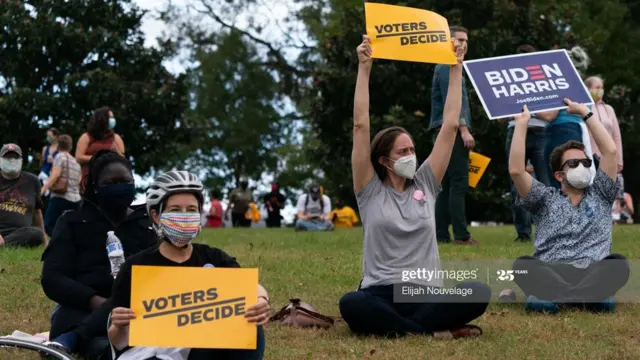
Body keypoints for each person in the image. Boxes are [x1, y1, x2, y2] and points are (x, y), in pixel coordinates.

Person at [339, 35, 490, 340]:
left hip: (424, 292)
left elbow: (449, 126)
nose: (411, 156)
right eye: (402, 152)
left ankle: (402, 330)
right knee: (352, 303)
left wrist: (456, 67)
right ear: (383, 160)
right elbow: (360, 126)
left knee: (478, 290)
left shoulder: (425, 182)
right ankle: (430, 331)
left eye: (411, 150)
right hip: (379, 292)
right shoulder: (368, 189)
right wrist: (364, 68)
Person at [107, 171, 268, 360]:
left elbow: (248, 288)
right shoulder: (135, 267)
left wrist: (261, 300)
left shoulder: (214, 258)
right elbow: (118, 342)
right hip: (154, 353)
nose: (184, 217)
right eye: (175, 209)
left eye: (191, 210)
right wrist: (118, 325)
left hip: (203, 350)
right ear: (156, 216)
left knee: (249, 323)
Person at [509, 100, 630, 314]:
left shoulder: (601, 194)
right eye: (573, 164)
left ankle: (556, 299)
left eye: (585, 163)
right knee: (523, 265)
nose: (582, 167)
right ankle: (589, 299)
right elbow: (517, 171)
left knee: (619, 263)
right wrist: (521, 124)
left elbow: (610, 152)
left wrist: (585, 112)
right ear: (559, 175)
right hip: (551, 269)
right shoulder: (544, 198)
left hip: (591, 270)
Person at [41, 150, 157, 358]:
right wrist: (98, 302)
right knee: (101, 347)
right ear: (95, 186)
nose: (119, 187)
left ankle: (73, 338)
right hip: (82, 309)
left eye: (124, 181)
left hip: (136, 312)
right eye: (111, 183)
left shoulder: (147, 226)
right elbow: (53, 278)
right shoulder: (72, 222)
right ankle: (75, 338)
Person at [429, 26, 477, 245]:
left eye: (466, 40)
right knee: (458, 183)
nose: (463, 44)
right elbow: (453, 101)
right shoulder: (448, 66)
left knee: (445, 186)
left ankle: (441, 235)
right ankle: (461, 235)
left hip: (443, 130)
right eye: (459, 39)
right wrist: (464, 130)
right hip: (451, 131)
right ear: (447, 41)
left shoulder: (447, 65)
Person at [501, 44, 551, 242]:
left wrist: (532, 108)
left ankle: (548, 230)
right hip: (515, 132)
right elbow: (498, 118)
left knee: (546, 184)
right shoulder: (508, 83)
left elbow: (550, 115)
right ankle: (523, 234)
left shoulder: (544, 81)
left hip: (540, 133)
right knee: (517, 185)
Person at [0, 144, 46, 248]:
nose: (12, 160)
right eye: (7, 157)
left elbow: (37, 212)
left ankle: (4, 244)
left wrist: (44, 240)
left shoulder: (33, 181)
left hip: (20, 232)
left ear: (21, 160)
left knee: (36, 233)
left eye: (15, 157)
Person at [584, 76, 624, 195]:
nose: (600, 91)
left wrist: (619, 160)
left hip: (609, 158)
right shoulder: (584, 108)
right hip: (590, 157)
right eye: (597, 88)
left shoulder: (609, 109)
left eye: (602, 88)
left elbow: (616, 136)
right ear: (588, 89)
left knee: (608, 194)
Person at [76, 107, 125, 193]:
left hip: (111, 183)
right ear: (102, 119)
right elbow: (79, 157)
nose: (113, 120)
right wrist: (100, 157)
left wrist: (117, 152)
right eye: (110, 118)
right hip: (89, 184)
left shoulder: (116, 138)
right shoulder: (86, 137)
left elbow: (124, 160)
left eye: (113, 118)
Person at [40, 135, 82, 237]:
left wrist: (43, 189)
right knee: (71, 227)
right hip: (76, 199)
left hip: (61, 197)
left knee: (49, 224)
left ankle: (56, 244)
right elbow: (79, 180)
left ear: (58, 145)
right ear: (71, 146)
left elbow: (55, 175)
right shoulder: (76, 161)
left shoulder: (59, 156)